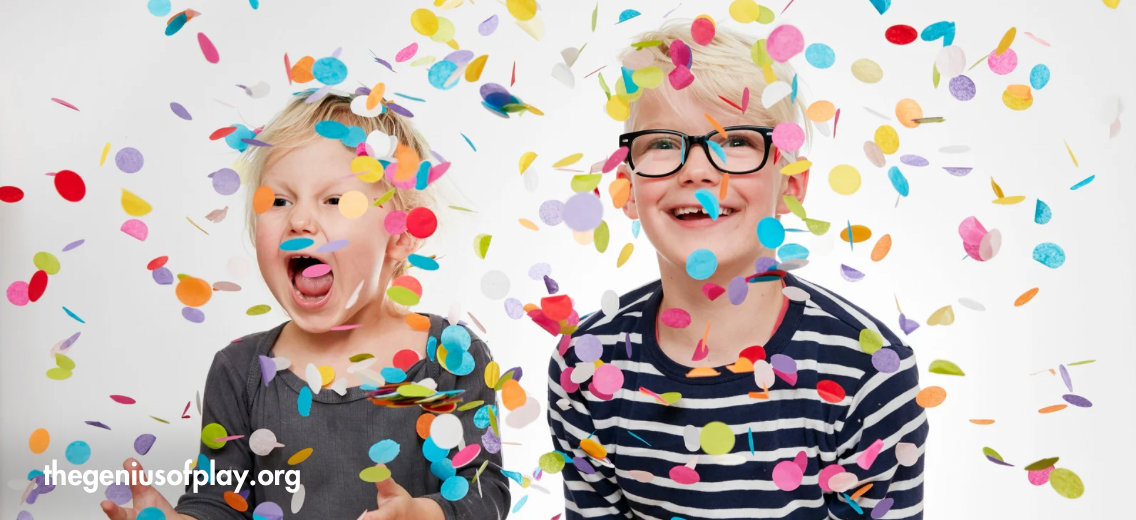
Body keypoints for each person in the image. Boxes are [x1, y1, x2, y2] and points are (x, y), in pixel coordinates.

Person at [546, 20, 928, 520]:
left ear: (791, 184)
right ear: (627, 188)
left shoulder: (867, 370)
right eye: (663, 144)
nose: (699, 171)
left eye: (735, 142)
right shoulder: (586, 364)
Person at [100, 90, 509, 520]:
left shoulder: (451, 356)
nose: (299, 220)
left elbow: (486, 495)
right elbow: (219, 504)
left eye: (334, 200)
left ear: (402, 232)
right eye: (279, 200)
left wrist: (420, 515)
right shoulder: (239, 372)